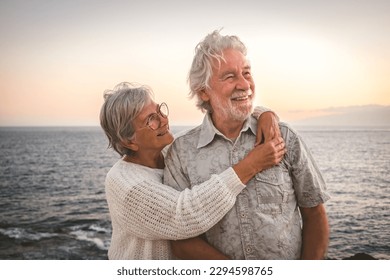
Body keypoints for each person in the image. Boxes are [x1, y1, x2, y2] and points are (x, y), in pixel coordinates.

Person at [163, 30, 331, 260]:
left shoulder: (284, 136)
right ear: (203, 91)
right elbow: (182, 241)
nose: (244, 84)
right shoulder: (181, 153)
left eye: (246, 73)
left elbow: (314, 214)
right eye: (229, 77)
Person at [99, 81, 285, 259]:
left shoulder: (171, 151)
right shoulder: (124, 184)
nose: (163, 120)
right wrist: (252, 164)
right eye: (151, 120)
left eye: (159, 110)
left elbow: (216, 123)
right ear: (128, 141)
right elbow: (184, 215)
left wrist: (263, 114)